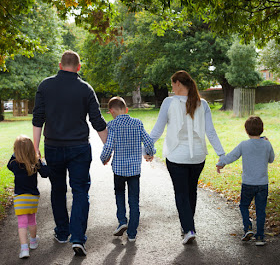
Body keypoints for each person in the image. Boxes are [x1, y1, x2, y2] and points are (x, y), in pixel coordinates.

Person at [32, 50, 107, 256]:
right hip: (79, 148)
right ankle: (77, 238)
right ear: (79, 67)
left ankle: (63, 233)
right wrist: (109, 148)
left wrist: (36, 148)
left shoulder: (45, 86)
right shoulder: (86, 89)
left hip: (53, 147)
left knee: (58, 189)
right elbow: (97, 121)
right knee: (80, 191)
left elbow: (38, 119)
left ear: (60, 65)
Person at [147, 70, 225, 245]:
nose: (172, 88)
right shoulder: (202, 103)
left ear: (178, 84)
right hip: (198, 158)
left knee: (181, 193)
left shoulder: (169, 102)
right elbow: (210, 132)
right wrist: (221, 153)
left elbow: (157, 130)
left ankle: (189, 229)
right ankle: (188, 226)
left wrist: (147, 147)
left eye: (173, 84)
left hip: (177, 157)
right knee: (191, 191)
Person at [100, 96, 155, 242]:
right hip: (134, 170)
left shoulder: (112, 125)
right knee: (134, 200)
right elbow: (148, 141)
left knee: (119, 194)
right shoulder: (137, 123)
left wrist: (103, 158)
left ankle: (122, 221)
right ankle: (132, 233)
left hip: (119, 169)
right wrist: (150, 153)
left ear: (111, 111)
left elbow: (109, 145)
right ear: (127, 109)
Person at [216, 116, 275, 246]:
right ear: (262, 129)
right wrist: (267, 143)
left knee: (243, 205)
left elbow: (232, 156)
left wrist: (221, 163)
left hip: (248, 183)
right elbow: (271, 159)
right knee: (260, 210)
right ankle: (260, 237)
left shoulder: (244, 144)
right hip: (262, 184)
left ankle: (248, 228)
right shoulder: (267, 144)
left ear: (246, 130)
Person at [7, 135, 50, 259]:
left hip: (20, 197)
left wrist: (15, 153)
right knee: (32, 220)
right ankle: (33, 242)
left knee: (22, 223)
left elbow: (8, 166)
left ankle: (24, 249)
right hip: (32, 197)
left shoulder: (14, 163)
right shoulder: (35, 162)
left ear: (16, 150)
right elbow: (46, 174)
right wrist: (42, 160)